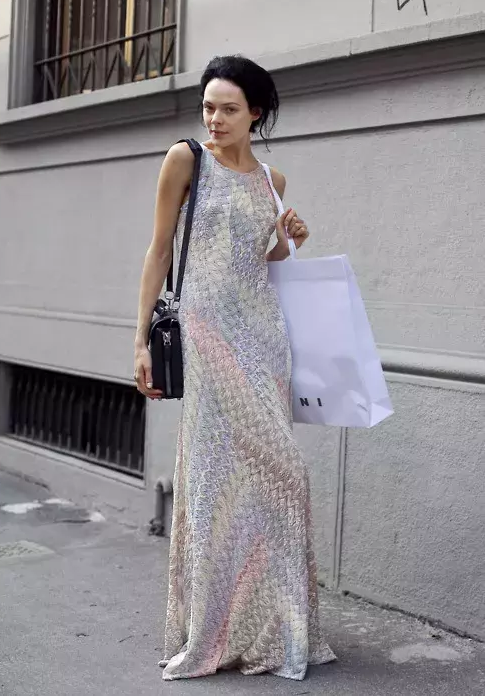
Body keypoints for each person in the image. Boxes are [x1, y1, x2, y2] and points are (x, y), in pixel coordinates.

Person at [133, 55, 336, 681]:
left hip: (263, 338)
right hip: (205, 333)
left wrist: (290, 240)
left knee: (281, 475)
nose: (215, 119)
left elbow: (262, 259)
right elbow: (159, 249)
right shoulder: (185, 160)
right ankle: (212, 629)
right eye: (208, 107)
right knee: (213, 475)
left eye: (228, 109)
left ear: (256, 113)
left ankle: (270, 629)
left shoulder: (273, 179)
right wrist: (140, 340)